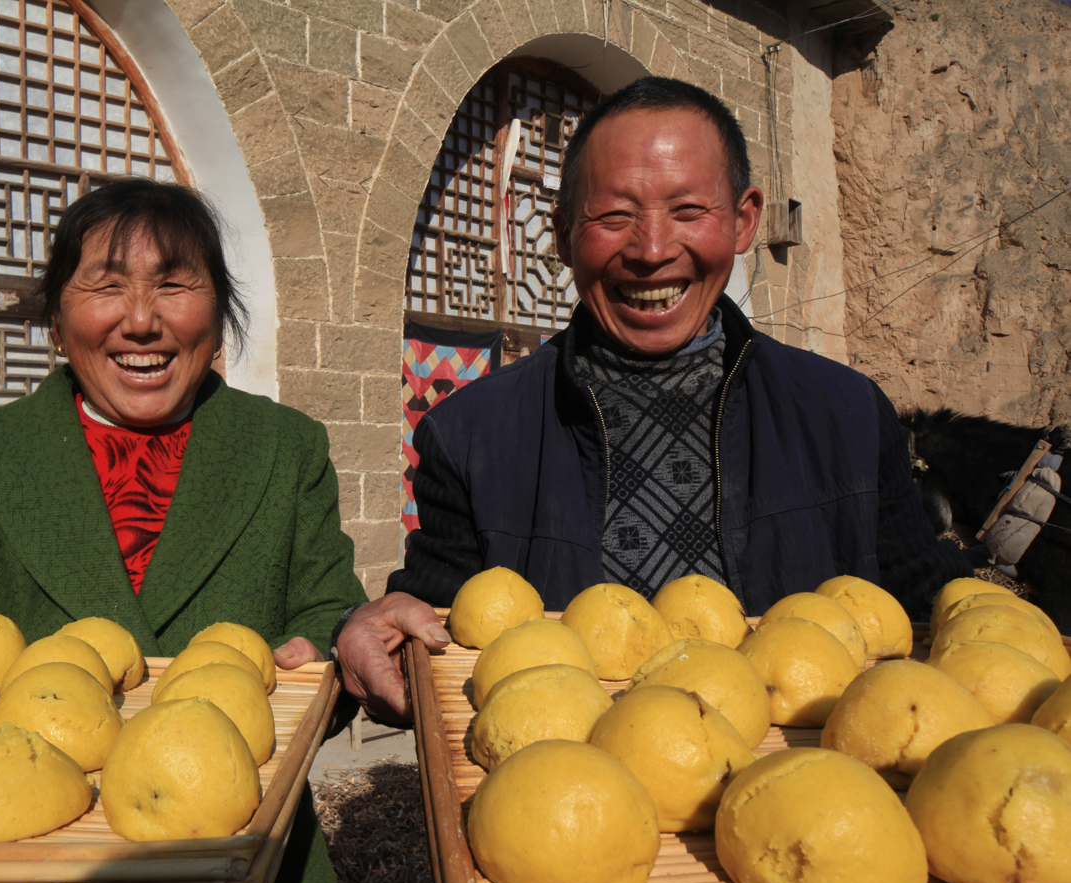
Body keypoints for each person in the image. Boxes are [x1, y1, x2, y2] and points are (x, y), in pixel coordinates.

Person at [333, 77, 971, 723]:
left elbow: (922, 608)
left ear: (745, 219)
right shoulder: (471, 433)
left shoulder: (846, 413)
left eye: (689, 210)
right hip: (560, 797)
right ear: (561, 234)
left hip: (805, 800)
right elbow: (437, 626)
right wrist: (374, 633)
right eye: (614, 216)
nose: (653, 250)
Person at [0, 178, 366, 883]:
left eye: (174, 285)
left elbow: (327, 606)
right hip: (28, 875)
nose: (141, 321)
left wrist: (321, 655)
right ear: (58, 317)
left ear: (218, 314)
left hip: (239, 862)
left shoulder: (287, 449)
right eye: (106, 286)